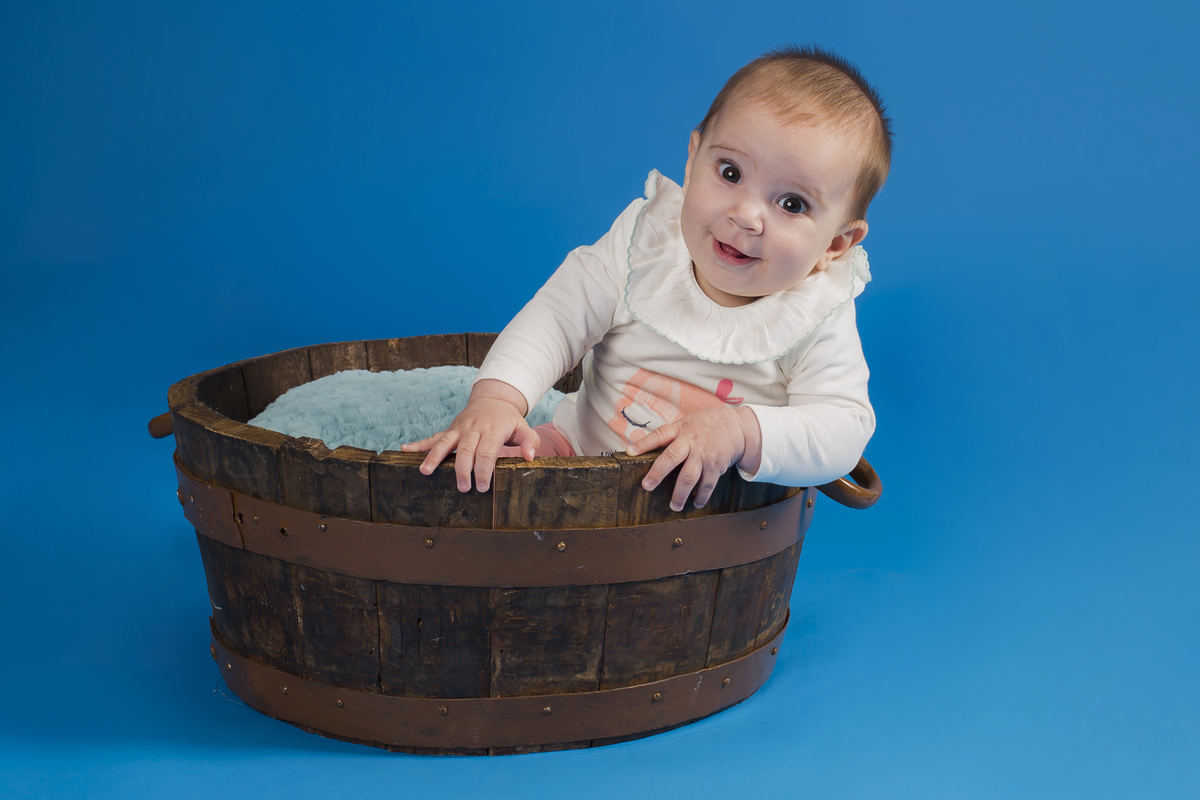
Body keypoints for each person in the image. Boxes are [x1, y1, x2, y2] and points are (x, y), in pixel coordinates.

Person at [402, 45, 891, 513]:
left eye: (791, 204)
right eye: (729, 172)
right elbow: (558, 318)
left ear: (834, 245)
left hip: (709, 516)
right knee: (506, 474)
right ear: (692, 157)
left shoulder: (814, 313)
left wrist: (742, 431)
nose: (745, 215)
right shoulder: (645, 245)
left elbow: (843, 430)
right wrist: (497, 401)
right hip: (576, 455)